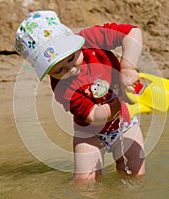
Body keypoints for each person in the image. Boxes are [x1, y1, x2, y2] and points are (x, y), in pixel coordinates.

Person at [14, 10, 145, 182]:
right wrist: (120, 99)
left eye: (70, 58)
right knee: (85, 181)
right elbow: (93, 116)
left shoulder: (91, 39)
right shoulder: (61, 87)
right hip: (89, 133)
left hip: (124, 123)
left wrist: (127, 68)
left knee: (135, 173)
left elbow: (132, 32)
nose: (70, 69)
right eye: (58, 70)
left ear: (74, 44)